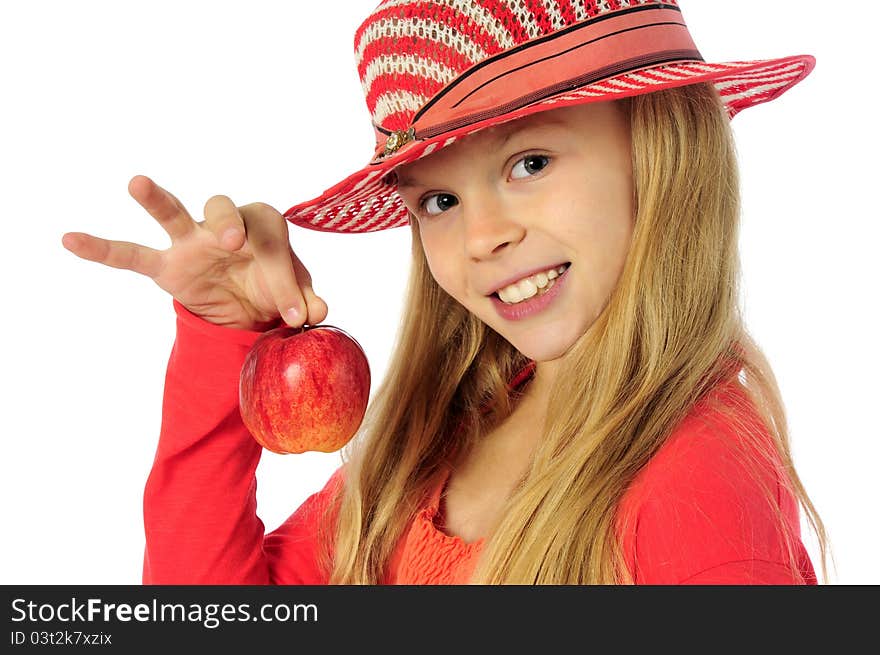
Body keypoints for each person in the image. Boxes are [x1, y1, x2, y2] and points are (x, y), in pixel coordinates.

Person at [61, 0, 831, 584]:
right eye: (438, 200)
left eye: (529, 163)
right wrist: (219, 335)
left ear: (661, 150)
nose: (480, 237)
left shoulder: (698, 478)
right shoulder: (439, 443)